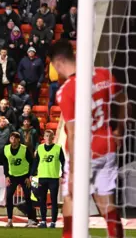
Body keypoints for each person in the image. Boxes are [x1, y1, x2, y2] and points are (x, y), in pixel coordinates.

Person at [49, 40, 126, 238]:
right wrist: (119, 131)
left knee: (70, 200)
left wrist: (73, 172)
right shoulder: (103, 75)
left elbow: (73, 133)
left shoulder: (66, 90)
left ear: (58, 63)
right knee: (106, 203)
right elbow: (125, 102)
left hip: (85, 152)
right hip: (107, 148)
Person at [3, 131, 36, 227]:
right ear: (9, 139)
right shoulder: (5, 149)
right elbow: (5, 163)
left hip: (24, 176)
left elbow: (32, 162)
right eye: (11, 138)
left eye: (15, 138)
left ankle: (31, 220)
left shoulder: (24, 149)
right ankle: (9, 220)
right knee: (8, 197)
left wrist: (29, 176)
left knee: (27, 197)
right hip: (12, 176)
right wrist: (7, 176)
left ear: (18, 140)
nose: (13, 140)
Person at [33, 130, 65, 228]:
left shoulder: (58, 148)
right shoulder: (40, 148)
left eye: (50, 136)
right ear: (44, 137)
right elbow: (36, 162)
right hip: (42, 177)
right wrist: (31, 174)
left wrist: (63, 174)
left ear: (53, 137)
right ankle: (43, 221)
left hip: (53, 178)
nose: (48, 137)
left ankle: (53, 222)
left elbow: (63, 162)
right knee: (42, 200)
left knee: (53, 200)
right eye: (46, 135)